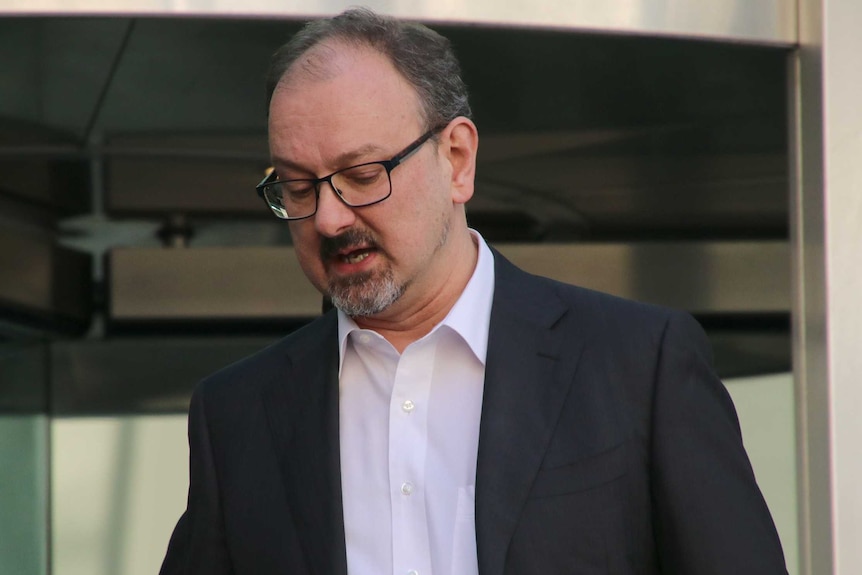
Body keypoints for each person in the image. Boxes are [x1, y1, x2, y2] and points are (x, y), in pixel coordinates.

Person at [160, 7, 788, 575]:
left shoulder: (638, 365)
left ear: (457, 159)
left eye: (360, 174)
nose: (329, 218)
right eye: (298, 187)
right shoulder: (236, 415)